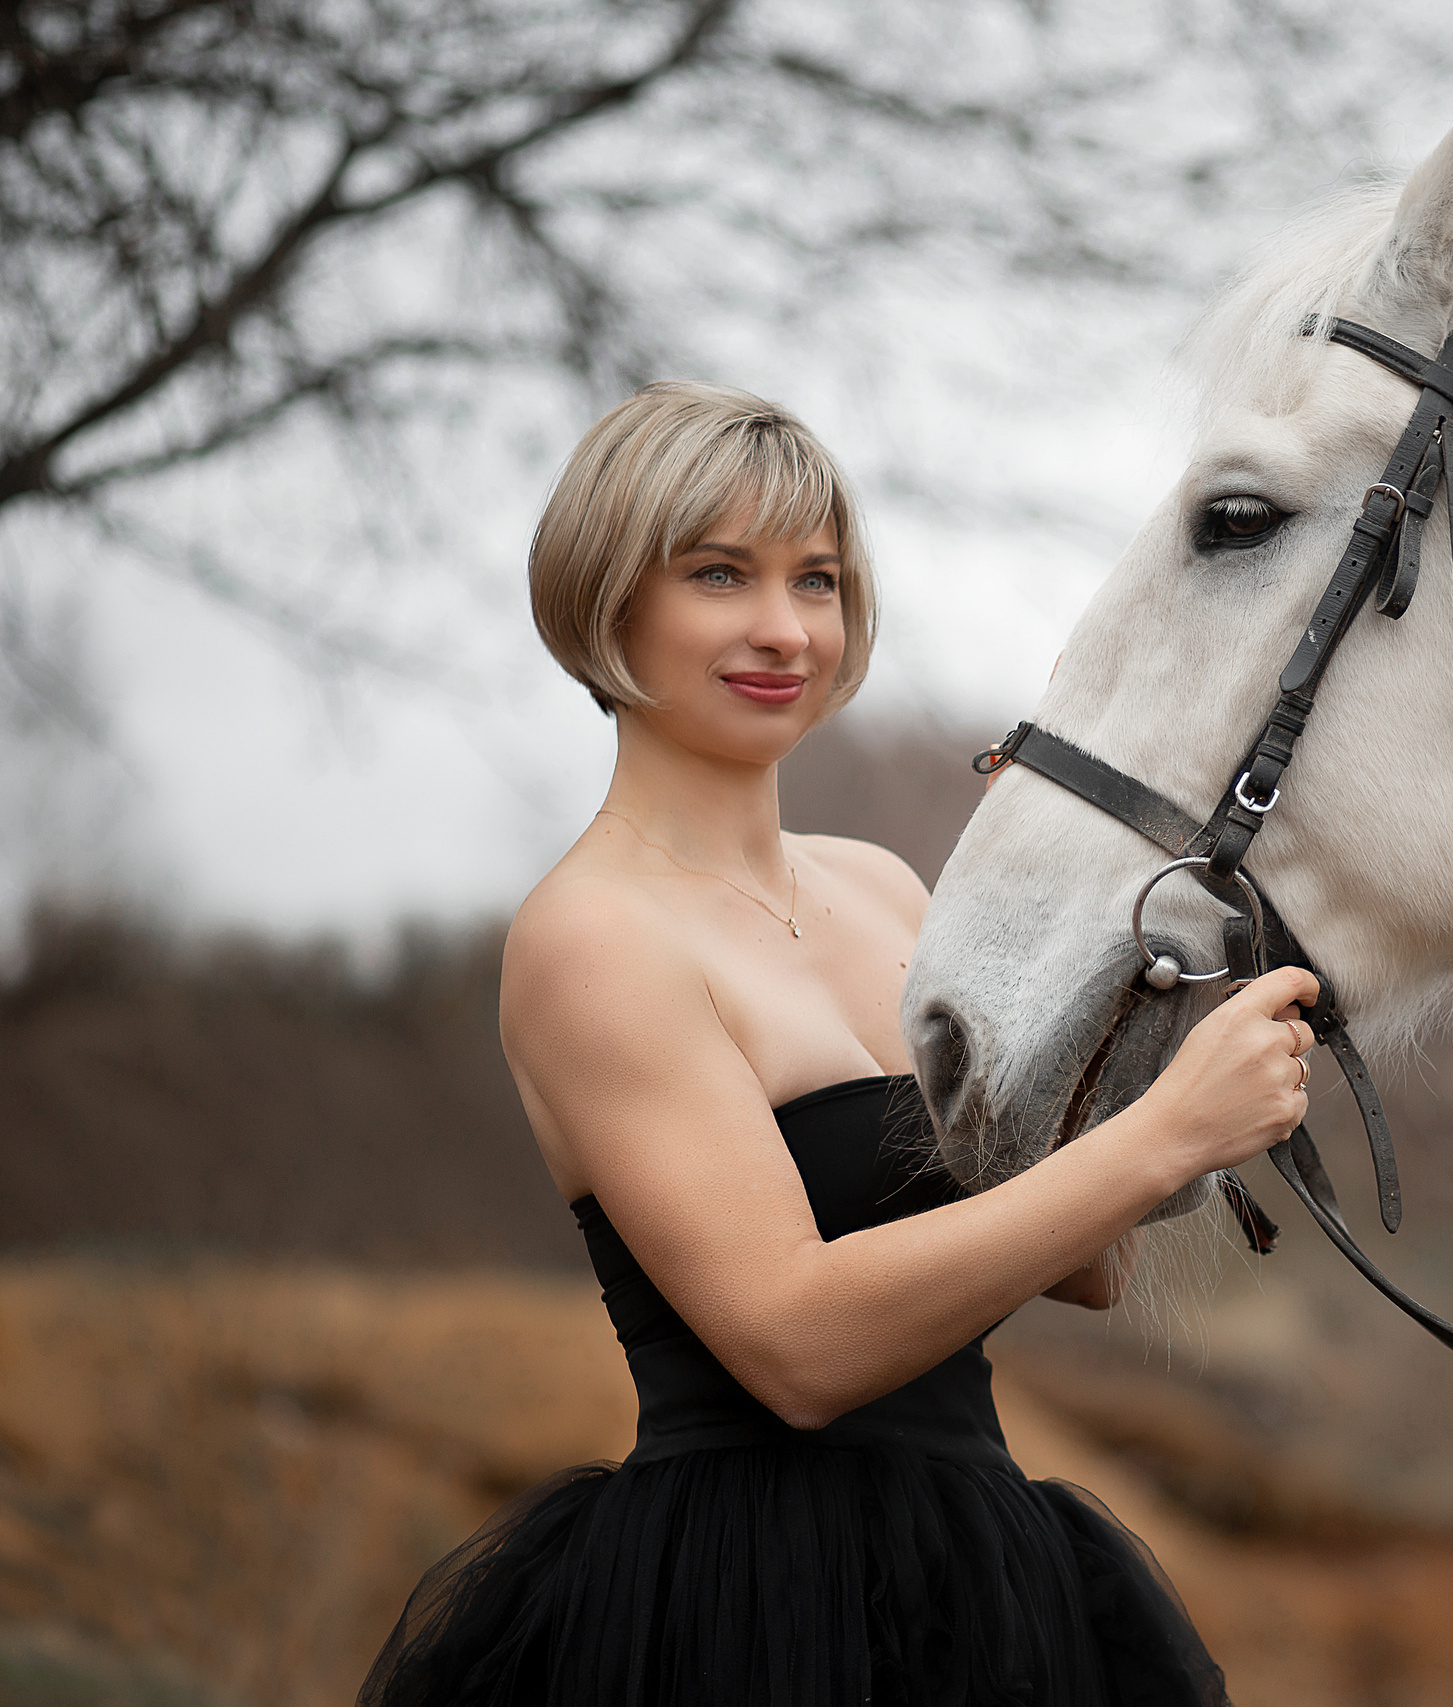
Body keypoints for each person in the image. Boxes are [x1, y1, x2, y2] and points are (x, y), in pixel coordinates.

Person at [360, 381, 1315, 1707]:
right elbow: (797, 1350)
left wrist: (1144, 1048)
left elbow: (1084, 1264)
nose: (782, 628)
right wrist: (1165, 1138)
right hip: (744, 1612)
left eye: (816, 580)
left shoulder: (882, 891)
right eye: (719, 575)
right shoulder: (592, 939)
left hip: (985, 1592)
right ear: (608, 600)